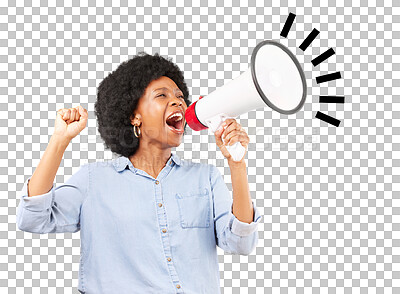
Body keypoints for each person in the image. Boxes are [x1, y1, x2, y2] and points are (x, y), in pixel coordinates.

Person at [16, 52, 263, 294]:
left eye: (179, 96)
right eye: (162, 95)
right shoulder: (94, 180)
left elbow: (241, 242)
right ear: (135, 116)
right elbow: (33, 218)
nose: (177, 101)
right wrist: (59, 140)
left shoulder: (205, 178)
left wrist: (237, 164)